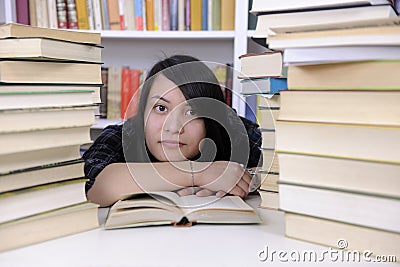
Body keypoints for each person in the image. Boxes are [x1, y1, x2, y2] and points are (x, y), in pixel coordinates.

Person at [83, 55, 262, 207]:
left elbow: (283, 165)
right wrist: (200, 173)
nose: (174, 127)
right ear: (143, 112)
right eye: (161, 108)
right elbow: (93, 188)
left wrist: (245, 177)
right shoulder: (122, 136)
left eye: (191, 112)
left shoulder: (234, 130)